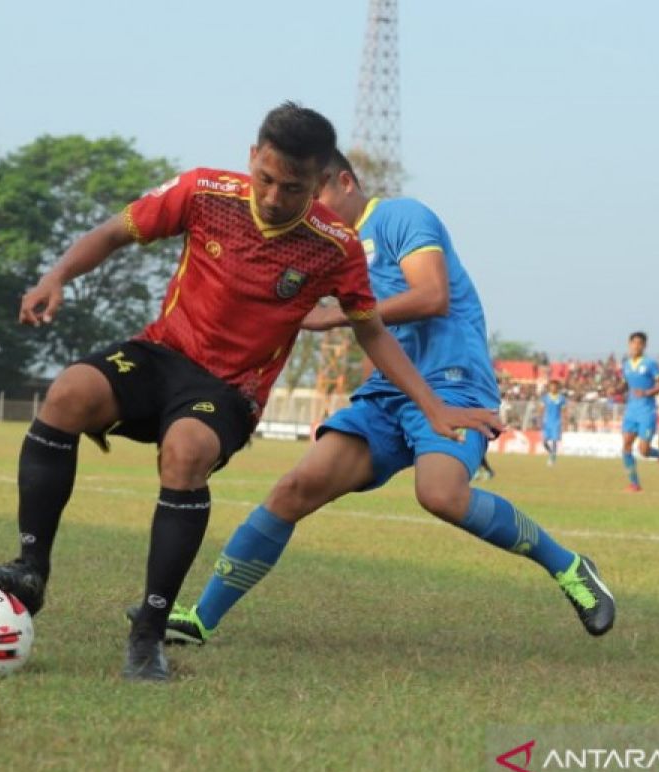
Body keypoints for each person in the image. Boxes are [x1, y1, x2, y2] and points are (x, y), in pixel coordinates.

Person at [0, 104, 498, 682]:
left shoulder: (334, 247)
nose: (274, 196)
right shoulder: (203, 191)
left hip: (229, 389)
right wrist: (56, 278)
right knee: (69, 392)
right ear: (252, 157)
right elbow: (114, 232)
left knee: (186, 451)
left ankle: (148, 635)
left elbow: (372, 332)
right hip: (162, 353)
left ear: (320, 181)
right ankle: (31, 567)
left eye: (293, 187)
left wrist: (433, 406)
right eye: (266, 178)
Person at [147, 149, 615, 649]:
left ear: (344, 182)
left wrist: (332, 316)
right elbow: (372, 331)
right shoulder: (333, 249)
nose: (308, 208)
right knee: (294, 489)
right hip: (384, 396)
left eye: (314, 194)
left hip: (450, 384)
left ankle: (568, 566)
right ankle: (201, 618)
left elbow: (432, 295)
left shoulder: (400, 216)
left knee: (441, 495)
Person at [618, 332, 659, 492]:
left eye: (639, 343)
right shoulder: (626, 364)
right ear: (629, 344)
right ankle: (634, 483)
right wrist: (616, 389)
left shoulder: (650, 363)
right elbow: (625, 385)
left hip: (646, 411)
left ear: (644, 346)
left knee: (644, 450)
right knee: (626, 445)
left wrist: (648, 393)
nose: (636, 346)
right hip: (631, 411)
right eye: (633, 342)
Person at [541, 379, 567, 466]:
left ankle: (553, 459)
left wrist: (564, 422)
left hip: (556, 422)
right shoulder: (546, 397)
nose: (553, 387)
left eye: (555, 386)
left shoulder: (561, 398)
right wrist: (540, 419)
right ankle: (551, 453)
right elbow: (541, 409)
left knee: (554, 441)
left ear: (557, 387)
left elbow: (564, 411)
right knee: (544, 442)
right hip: (547, 422)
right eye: (551, 386)